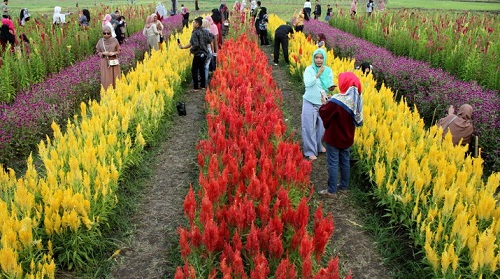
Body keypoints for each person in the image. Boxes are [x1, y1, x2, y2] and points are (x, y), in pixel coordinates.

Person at [319, 72, 363, 195]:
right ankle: (344, 186)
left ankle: (331, 190)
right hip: (347, 138)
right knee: (345, 161)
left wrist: (324, 103)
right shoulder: (356, 100)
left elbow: (324, 113)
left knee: (332, 163)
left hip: (334, 137)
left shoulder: (337, 101)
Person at [302, 48, 335, 160]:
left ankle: (318, 144)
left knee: (322, 127)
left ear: (324, 58)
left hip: (323, 102)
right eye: (316, 57)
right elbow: (308, 83)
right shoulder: (309, 69)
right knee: (309, 127)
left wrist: (330, 88)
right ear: (313, 58)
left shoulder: (328, 70)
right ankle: (310, 151)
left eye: (321, 58)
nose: (319, 60)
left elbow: (328, 85)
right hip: (310, 101)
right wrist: (317, 74)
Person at [178, 17, 212, 91]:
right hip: (204, 53)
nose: (193, 24)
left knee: (194, 70)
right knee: (202, 69)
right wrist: (183, 47)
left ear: (197, 24)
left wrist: (191, 50)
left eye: (194, 22)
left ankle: (196, 87)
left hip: (198, 54)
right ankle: (203, 86)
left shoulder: (195, 32)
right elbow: (209, 40)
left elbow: (194, 44)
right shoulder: (205, 31)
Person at [96, 25, 121, 90]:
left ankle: (116, 91)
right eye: (104, 33)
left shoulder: (114, 40)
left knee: (115, 77)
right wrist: (103, 53)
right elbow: (97, 52)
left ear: (111, 33)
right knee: (106, 78)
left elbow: (119, 51)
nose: (106, 35)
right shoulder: (100, 41)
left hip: (113, 62)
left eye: (108, 33)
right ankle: (107, 93)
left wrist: (113, 53)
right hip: (105, 62)